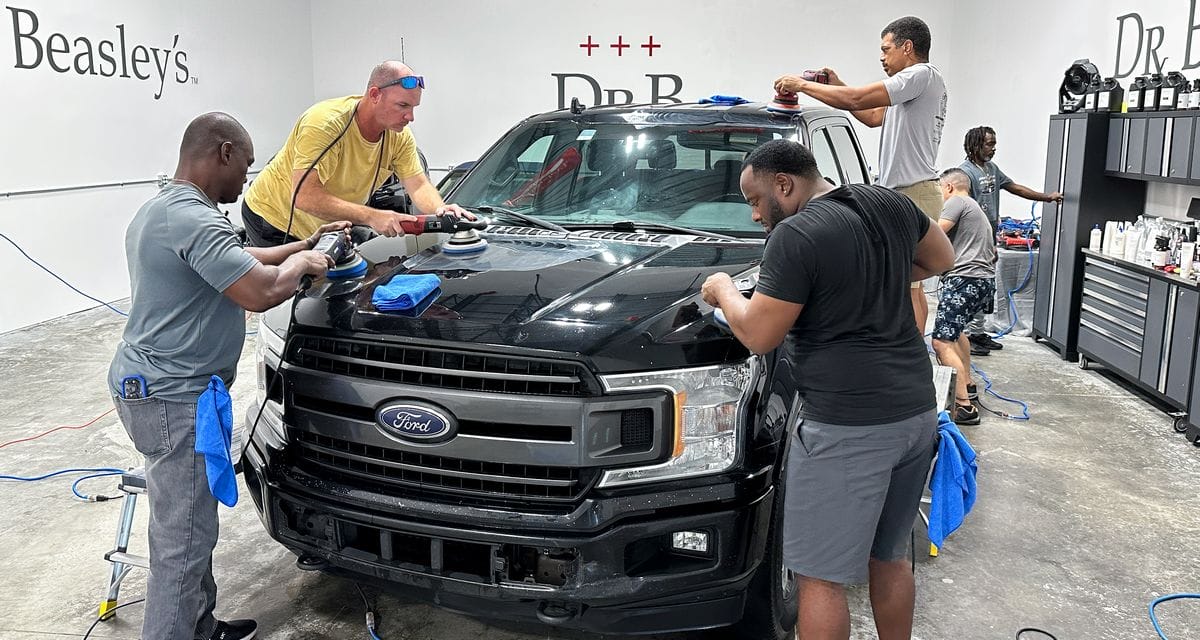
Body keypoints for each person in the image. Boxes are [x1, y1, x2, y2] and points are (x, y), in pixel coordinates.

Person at [701, 139, 954, 640]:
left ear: (784, 184)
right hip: (915, 414)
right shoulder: (889, 202)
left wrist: (724, 290)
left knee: (818, 579)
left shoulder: (795, 235)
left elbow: (759, 334)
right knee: (890, 558)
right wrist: (870, 275)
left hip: (846, 426)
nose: (755, 215)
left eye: (755, 200)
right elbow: (941, 258)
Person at [109, 112, 348, 640]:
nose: (247, 177)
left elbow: (238, 258)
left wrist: (303, 244)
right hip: (173, 396)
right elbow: (260, 290)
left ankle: (200, 626)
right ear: (223, 152)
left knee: (192, 523)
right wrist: (306, 265)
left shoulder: (168, 210)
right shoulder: (192, 219)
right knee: (182, 538)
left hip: (163, 386)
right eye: (246, 163)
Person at [775, 16, 947, 333]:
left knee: (905, 288)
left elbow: (858, 99)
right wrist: (836, 85)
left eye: (886, 49)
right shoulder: (916, 86)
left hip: (914, 192)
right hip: (912, 191)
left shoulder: (919, 75)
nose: (881, 57)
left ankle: (907, 352)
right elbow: (871, 115)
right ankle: (914, 351)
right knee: (911, 285)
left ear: (907, 47)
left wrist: (802, 86)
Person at [241, 60, 469, 246]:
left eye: (413, 107)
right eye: (403, 106)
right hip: (274, 218)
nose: (410, 117)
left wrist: (440, 209)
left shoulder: (399, 136)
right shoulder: (325, 124)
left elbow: (417, 185)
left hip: (322, 224)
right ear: (374, 95)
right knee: (298, 283)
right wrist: (372, 216)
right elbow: (304, 196)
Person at [959, 126, 1063, 353]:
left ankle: (978, 333)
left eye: (994, 144)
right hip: (972, 240)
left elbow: (1015, 188)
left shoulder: (992, 169)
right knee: (972, 286)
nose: (993, 149)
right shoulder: (964, 173)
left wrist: (1047, 197)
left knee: (986, 287)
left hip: (989, 238)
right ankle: (966, 335)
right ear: (975, 144)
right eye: (989, 144)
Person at [930, 168, 997, 426]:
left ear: (948, 187)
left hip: (965, 279)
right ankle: (967, 384)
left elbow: (935, 234)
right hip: (981, 280)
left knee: (941, 342)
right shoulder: (975, 207)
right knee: (957, 334)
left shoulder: (956, 201)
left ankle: (964, 407)